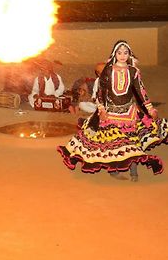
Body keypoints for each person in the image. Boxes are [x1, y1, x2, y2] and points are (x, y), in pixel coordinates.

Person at [58, 40, 168, 182]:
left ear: (129, 55)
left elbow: (141, 91)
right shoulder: (108, 70)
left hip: (129, 113)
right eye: (119, 52)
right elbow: (100, 93)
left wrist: (150, 108)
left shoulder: (133, 71)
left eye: (125, 53)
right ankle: (114, 171)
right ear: (115, 54)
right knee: (114, 144)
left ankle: (134, 171)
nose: (122, 55)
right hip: (111, 113)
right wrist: (102, 109)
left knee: (131, 141)